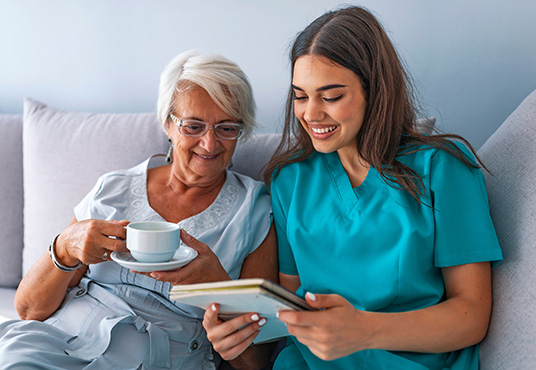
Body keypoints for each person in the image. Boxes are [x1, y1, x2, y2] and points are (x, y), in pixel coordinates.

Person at [203, 6, 502, 369]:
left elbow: (471, 316)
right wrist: (239, 333)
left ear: (374, 91)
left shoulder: (443, 168)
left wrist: (365, 330)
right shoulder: (289, 180)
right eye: (300, 96)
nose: (311, 114)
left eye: (330, 97)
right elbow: (290, 305)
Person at [0, 50, 277, 369]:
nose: (210, 143)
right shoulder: (113, 188)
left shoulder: (254, 211)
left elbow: (255, 361)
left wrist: (217, 287)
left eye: (227, 128)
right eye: (193, 126)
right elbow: (28, 311)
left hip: (161, 356)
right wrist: (64, 247)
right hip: (65, 340)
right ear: (168, 123)